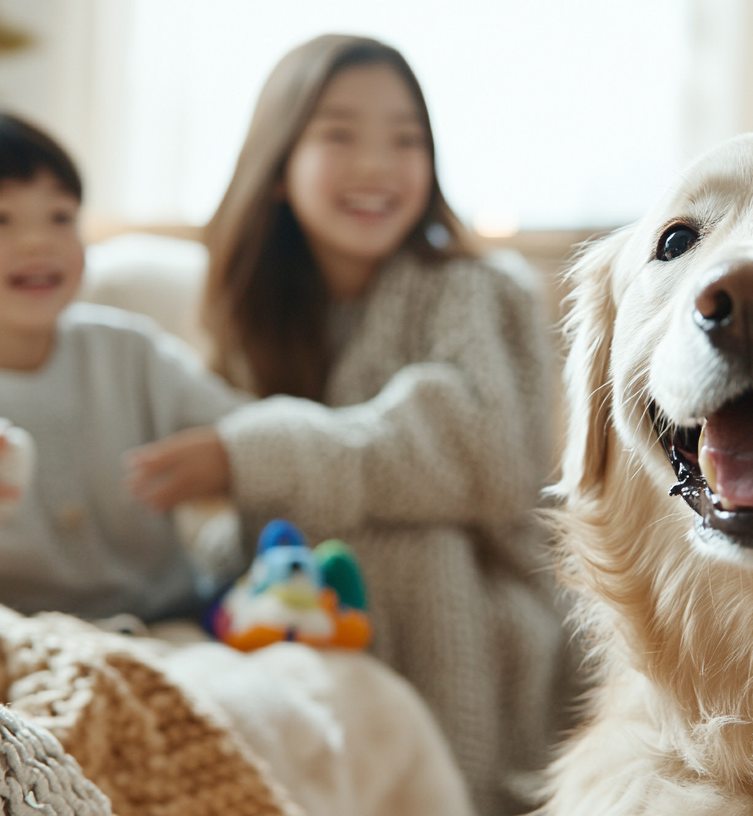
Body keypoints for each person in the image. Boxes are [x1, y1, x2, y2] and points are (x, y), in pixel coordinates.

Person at [123, 35, 568, 816]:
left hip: (473, 622)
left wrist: (252, 457)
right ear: (276, 169)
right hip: (302, 632)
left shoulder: (474, 289)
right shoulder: (251, 317)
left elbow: (480, 449)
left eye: (407, 139)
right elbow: (232, 519)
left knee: (394, 530)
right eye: (339, 134)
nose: (377, 165)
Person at [0, 105, 247, 622]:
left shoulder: (131, 354)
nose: (39, 240)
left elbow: (250, 429)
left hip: (174, 619)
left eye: (61, 216)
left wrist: (229, 454)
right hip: (19, 643)